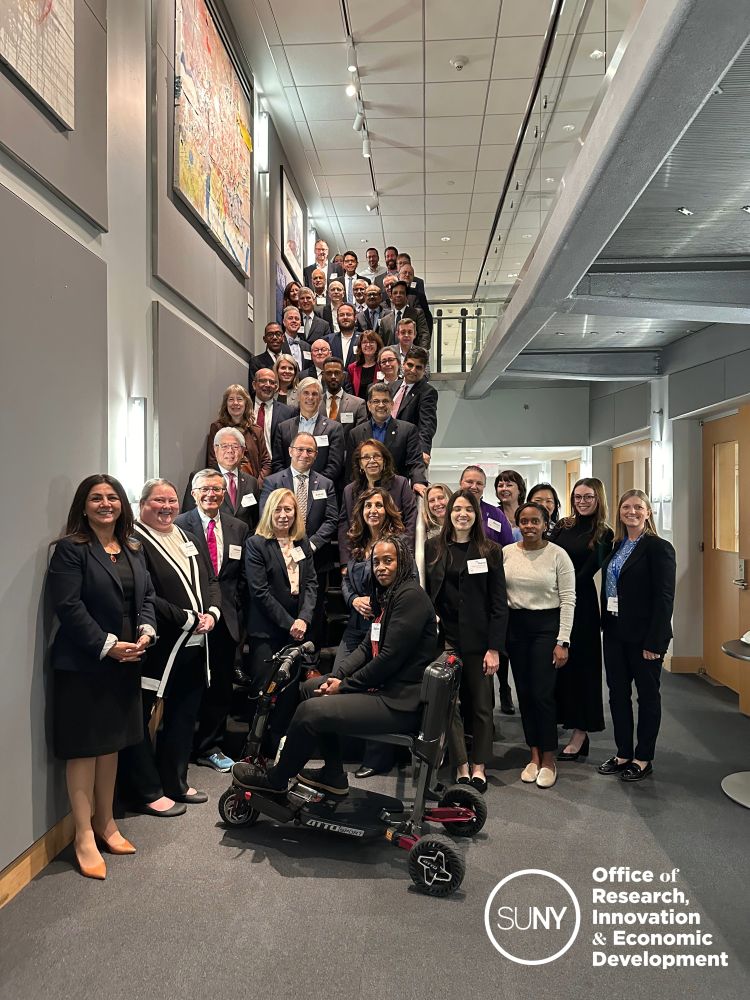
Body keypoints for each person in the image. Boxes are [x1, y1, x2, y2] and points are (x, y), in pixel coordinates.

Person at [231, 535, 438, 799]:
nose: (381, 568)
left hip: (398, 701)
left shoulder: (410, 597)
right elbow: (366, 647)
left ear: (404, 562)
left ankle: (277, 779)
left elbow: (387, 660)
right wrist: (336, 675)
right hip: (386, 689)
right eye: (376, 562)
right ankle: (333, 773)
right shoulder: (388, 596)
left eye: (389, 561)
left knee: (310, 710)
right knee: (309, 688)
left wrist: (344, 686)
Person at [48, 475, 156, 878]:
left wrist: (146, 631)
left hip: (126, 661)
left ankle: (106, 823)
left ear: (122, 505)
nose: (105, 504)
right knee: (84, 749)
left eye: (112, 497)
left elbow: (144, 597)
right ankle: (83, 835)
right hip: (84, 663)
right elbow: (69, 607)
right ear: (84, 504)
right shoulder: (70, 550)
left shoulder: (131, 547)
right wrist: (109, 644)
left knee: (111, 745)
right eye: (96, 498)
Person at [119, 479, 221, 816]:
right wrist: (185, 618)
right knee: (139, 716)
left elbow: (210, 580)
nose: (166, 507)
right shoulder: (134, 541)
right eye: (158, 501)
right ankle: (146, 790)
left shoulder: (187, 536)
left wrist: (212, 614)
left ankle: (175, 782)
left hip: (196, 643)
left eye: (172, 501)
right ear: (142, 504)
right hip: (159, 646)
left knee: (184, 714)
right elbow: (145, 594)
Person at [425, 490, 508, 793]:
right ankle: (461, 764)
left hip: (479, 642)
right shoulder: (433, 547)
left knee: (482, 705)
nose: (462, 514)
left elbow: (499, 604)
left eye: (468, 509)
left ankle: (479, 767)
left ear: (476, 515)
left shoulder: (490, 550)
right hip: (446, 640)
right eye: (457, 508)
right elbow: (426, 591)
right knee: (450, 704)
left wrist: (494, 648)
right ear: (448, 513)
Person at [598, 490, 676, 782]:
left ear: (648, 512)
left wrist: (655, 643)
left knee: (647, 696)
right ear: (619, 512)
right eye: (626, 507)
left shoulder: (659, 548)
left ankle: (643, 757)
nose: (631, 512)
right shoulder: (617, 545)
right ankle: (623, 753)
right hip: (615, 632)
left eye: (638, 507)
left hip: (645, 637)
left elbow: (665, 597)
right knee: (617, 695)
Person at [175, 470, 249, 772]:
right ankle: (181, 746)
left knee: (219, 687)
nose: (211, 494)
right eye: (205, 489)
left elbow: (242, 576)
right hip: (189, 620)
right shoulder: (179, 526)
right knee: (187, 685)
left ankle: (210, 747)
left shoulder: (239, 528)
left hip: (226, 619)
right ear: (193, 493)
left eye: (217, 489)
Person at [502, 502, 576, 789]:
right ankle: (532, 754)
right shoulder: (506, 553)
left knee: (543, 694)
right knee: (525, 693)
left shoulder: (558, 555)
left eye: (535, 521)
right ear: (518, 524)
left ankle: (548, 758)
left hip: (547, 628)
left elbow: (569, 599)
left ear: (546, 524)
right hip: (516, 629)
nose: (529, 526)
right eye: (524, 521)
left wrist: (563, 640)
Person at [244, 489, 318, 751]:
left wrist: (304, 619)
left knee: (288, 695)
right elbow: (260, 592)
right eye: (278, 509)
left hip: (297, 630)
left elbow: (311, 585)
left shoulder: (302, 542)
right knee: (263, 692)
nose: (284, 515)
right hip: (267, 631)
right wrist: (291, 623)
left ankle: (280, 751)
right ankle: (256, 752)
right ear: (269, 512)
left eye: (289, 510)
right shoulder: (256, 544)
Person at [549, 479, 614, 760]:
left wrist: (561, 586)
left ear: (598, 498)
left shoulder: (605, 533)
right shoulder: (563, 525)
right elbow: (546, 553)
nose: (582, 501)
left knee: (584, 669)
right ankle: (563, 718)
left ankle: (581, 733)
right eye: (577, 496)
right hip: (553, 601)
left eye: (588, 496)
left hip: (582, 603)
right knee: (558, 667)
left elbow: (588, 572)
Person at [339, 438, 417, 563]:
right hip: (361, 556)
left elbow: (411, 521)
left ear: (384, 461)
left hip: (395, 555)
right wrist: (345, 562)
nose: (372, 461)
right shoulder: (349, 491)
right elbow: (344, 527)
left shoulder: (401, 484)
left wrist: (402, 552)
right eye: (366, 457)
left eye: (377, 456)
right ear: (360, 464)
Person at [347, 383, 428, 494]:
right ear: (369, 405)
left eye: (385, 401)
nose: (381, 405)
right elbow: (352, 469)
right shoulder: (355, 433)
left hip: (397, 492)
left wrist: (418, 481)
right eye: (376, 401)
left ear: (392, 404)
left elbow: (415, 462)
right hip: (366, 493)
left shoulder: (408, 430)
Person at [271, 377, 345, 484]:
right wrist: (290, 483)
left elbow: (334, 466)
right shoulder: (283, 427)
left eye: (314, 394)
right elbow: (278, 462)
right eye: (306, 393)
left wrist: (311, 484)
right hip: (288, 489)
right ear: (298, 397)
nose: (310, 397)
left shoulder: (334, 428)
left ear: (320, 399)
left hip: (319, 488)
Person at [185, 426, 260, 532]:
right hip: (211, 540)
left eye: (235, 446)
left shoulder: (251, 482)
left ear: (243, 451)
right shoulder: (200, 478)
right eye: (224, 446)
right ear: (215, 450)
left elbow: (256, 519)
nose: (230, 451)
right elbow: (188, 515)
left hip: (244, 543)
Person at [206, 384, 271, 484]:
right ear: (226, 404)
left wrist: (257, 485)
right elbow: (212, 461)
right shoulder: (217, 428)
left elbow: (266, 462)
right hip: (226, 484)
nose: (235, 403)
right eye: (231, 399)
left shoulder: (256, 431)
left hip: (252, 485)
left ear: (246, 403)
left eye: (239, 399)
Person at [391, 346, 438, 466]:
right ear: (403, 364)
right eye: (410, 365)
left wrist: (423, 450)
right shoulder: (392, 387)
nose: (413, 370)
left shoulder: (427, 392)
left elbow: (427, 424)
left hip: (408, 452)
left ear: (424, 370)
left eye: (418, 367)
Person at [320, 356, 367, 451]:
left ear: (343, 375)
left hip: (347, 459)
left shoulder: (358, 404)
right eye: (329, 373)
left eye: (337, 373)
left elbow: (360, 437)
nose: (333, 377)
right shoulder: (315, 402)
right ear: (323, 375)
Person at [459, 465, 513, 547]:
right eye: (469, 482)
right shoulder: (450, 511)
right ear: (461, 482)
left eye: (479, 483)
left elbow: (508, 546)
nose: (474, 486)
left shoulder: (496, 514)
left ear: (484, 486)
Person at [251, 368, 296, 457]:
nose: (268, 385)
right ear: (254, 385)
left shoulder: (288, 413)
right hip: (247, 465)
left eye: (272, 382)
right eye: (263, 381)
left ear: (276, 387)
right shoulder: (243, 407)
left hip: (275, 466)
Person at [378, 284, 429, 349]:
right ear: (391, 297)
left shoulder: (417, 313)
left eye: (401, 293)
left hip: (412, 356)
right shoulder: (384, 320)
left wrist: (420, 354)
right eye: (395, 293)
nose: (398, 295)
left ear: (406, 296)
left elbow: (424, 336)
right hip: (391, 357)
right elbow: (381, 343)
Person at [347, 329, 383, 398]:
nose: (368, 345)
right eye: (364, 342)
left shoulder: (382, 366)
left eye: (372, 342)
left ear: (377, 345)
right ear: (360, 346)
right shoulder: (352, 368)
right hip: (358, 407)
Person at [325, 301, 360, 367]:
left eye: (348, 314)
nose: (345, 317)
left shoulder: (363, 339)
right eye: (341, 315)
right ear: (337, 319)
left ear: (355, 318)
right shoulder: (328, 340)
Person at [495, 469, 527, 541]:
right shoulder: (493, 514)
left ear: (520, 490)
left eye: (509, 485)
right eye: (500, 485)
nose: (504, 488)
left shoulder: (529, 512)